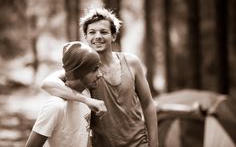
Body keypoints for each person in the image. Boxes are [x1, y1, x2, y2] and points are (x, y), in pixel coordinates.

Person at [41, 8, 158, 147]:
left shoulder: (132, 62)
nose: (97, 36)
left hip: (139, 143)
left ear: (113, 36)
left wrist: (154, 143)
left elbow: (148, 104)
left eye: (103, 32)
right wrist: (87, 100)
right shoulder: (83, 70)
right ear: (86, 37)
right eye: (92, 32)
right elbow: (47, 84)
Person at [25, 42, 107, 147]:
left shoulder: (87, 95)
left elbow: (83, 136)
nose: (100, 74)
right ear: (78, 72)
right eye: (94, 69)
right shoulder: (55, 106)